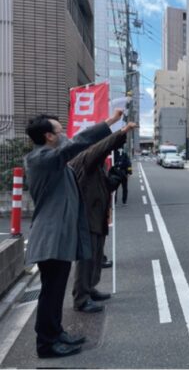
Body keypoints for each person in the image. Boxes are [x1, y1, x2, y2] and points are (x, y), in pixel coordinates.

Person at [24, 109, 123, 358]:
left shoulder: (52, 158)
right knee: (51, 293)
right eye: (60, 131)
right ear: (48, 136)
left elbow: (72, 145)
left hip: (59, 237)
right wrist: (109, 123)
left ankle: (56, 333)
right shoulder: (43, 159)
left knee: (55, 292)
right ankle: (46, 344)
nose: (65, 135)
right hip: (51, 238)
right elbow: (77, 143)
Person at [70, 122, 137, 313]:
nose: (107, 153)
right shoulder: (85, 158)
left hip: (97, 216)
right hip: (86, 217)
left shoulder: (97, 166)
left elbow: (104, 188)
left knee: (97, 256)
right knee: (86, 260)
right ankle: (81, 299)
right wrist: (121, 132)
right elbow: (101, 147)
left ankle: (90, 288)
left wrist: (114, 180)